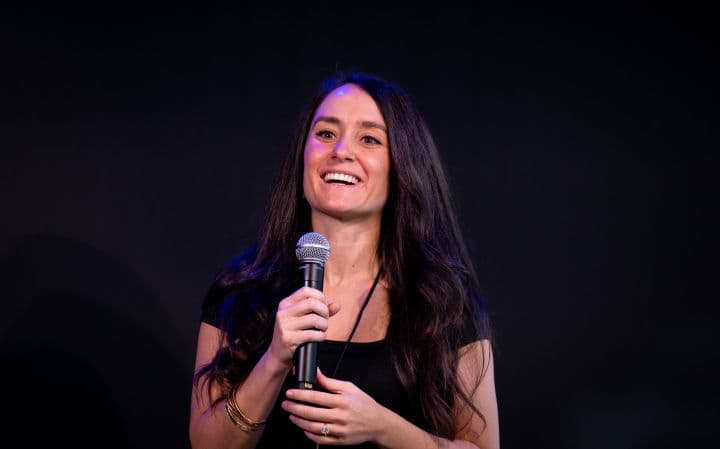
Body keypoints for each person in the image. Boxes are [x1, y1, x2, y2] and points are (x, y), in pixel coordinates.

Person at [189, 71, 500, 449]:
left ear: (402, 166)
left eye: (369, 139)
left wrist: (384, 427)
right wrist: (273, 361)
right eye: (325, 134)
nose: (341, 151)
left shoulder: (444, 300)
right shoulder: (242, 289)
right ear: (302, 155)